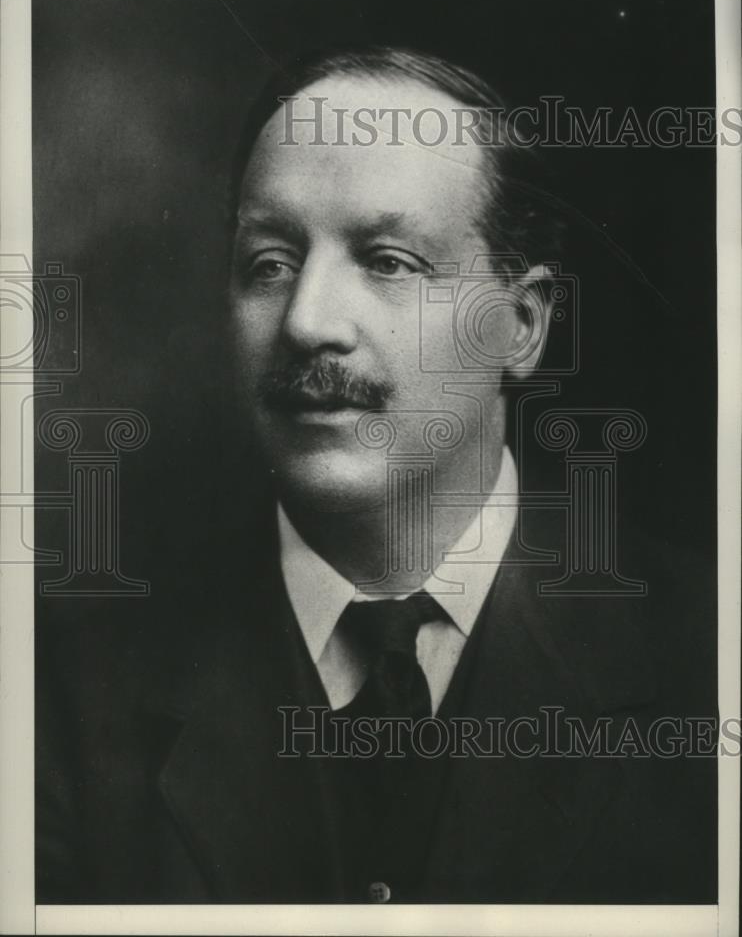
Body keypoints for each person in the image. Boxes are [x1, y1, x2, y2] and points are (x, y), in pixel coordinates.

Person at [36, 46, 717, 905]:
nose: (308, 321)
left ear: (521, 326)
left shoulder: (708, 658)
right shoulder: (58, 689)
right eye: (270, 263)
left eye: (389, 260)